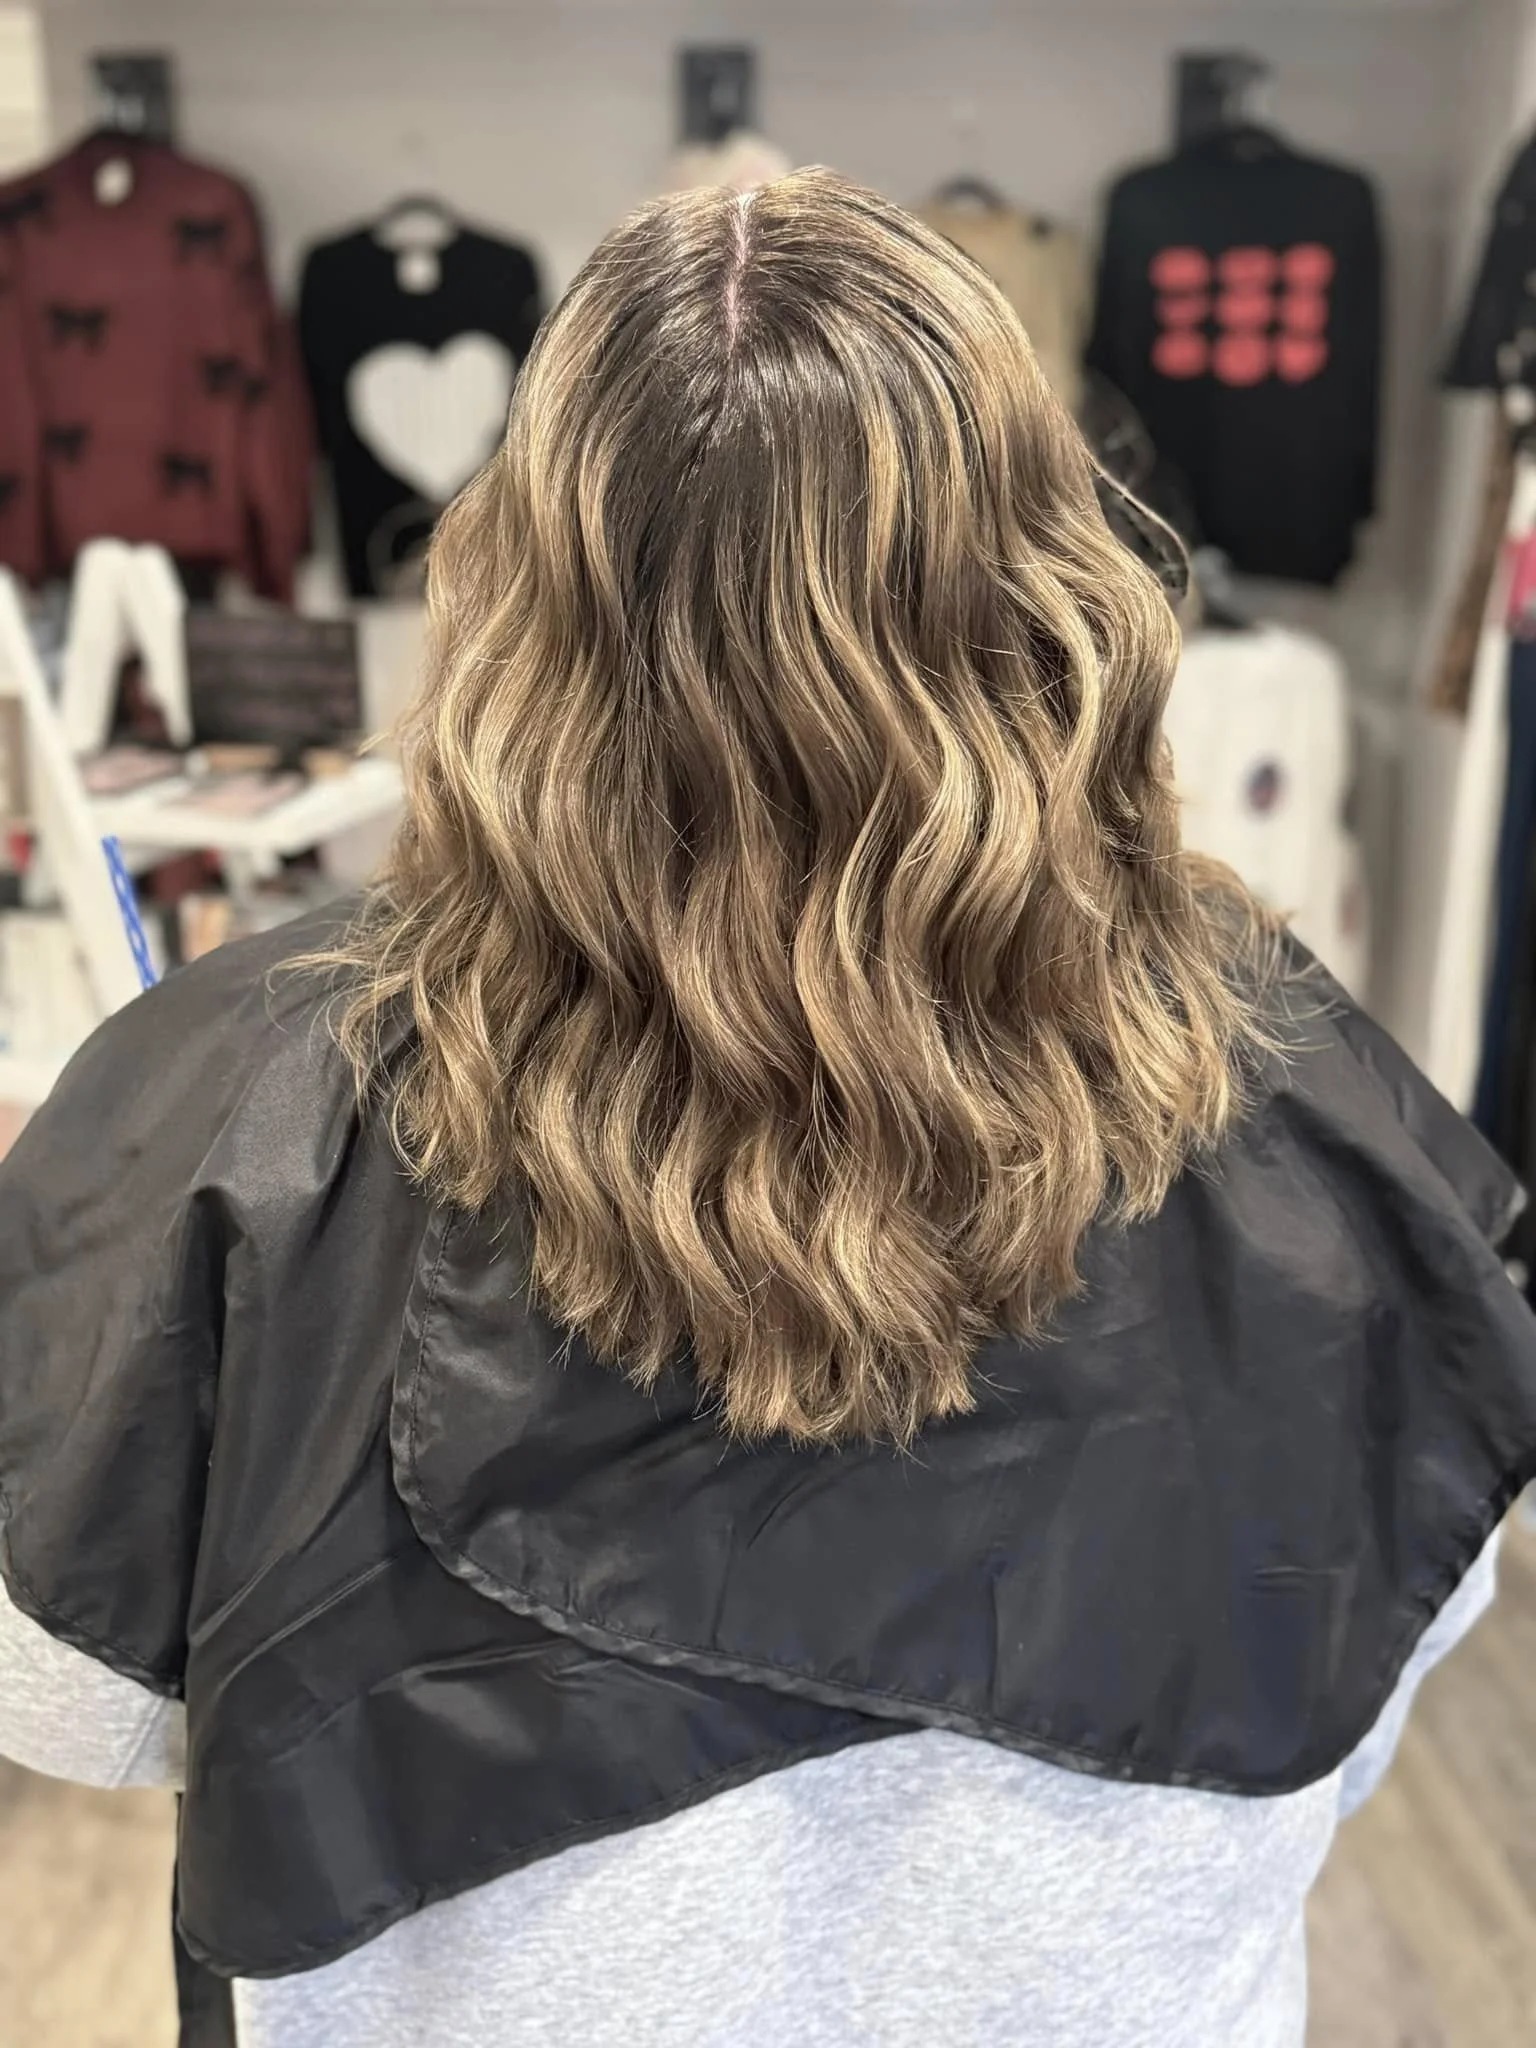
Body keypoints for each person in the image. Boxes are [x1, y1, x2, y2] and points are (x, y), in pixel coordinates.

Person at [1, 169, 1533, 2048]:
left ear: (511, 593)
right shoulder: (1303, 1099)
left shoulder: (236, 1111)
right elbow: (1373, 1655)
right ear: (1058, 586)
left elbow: (73, 1705)